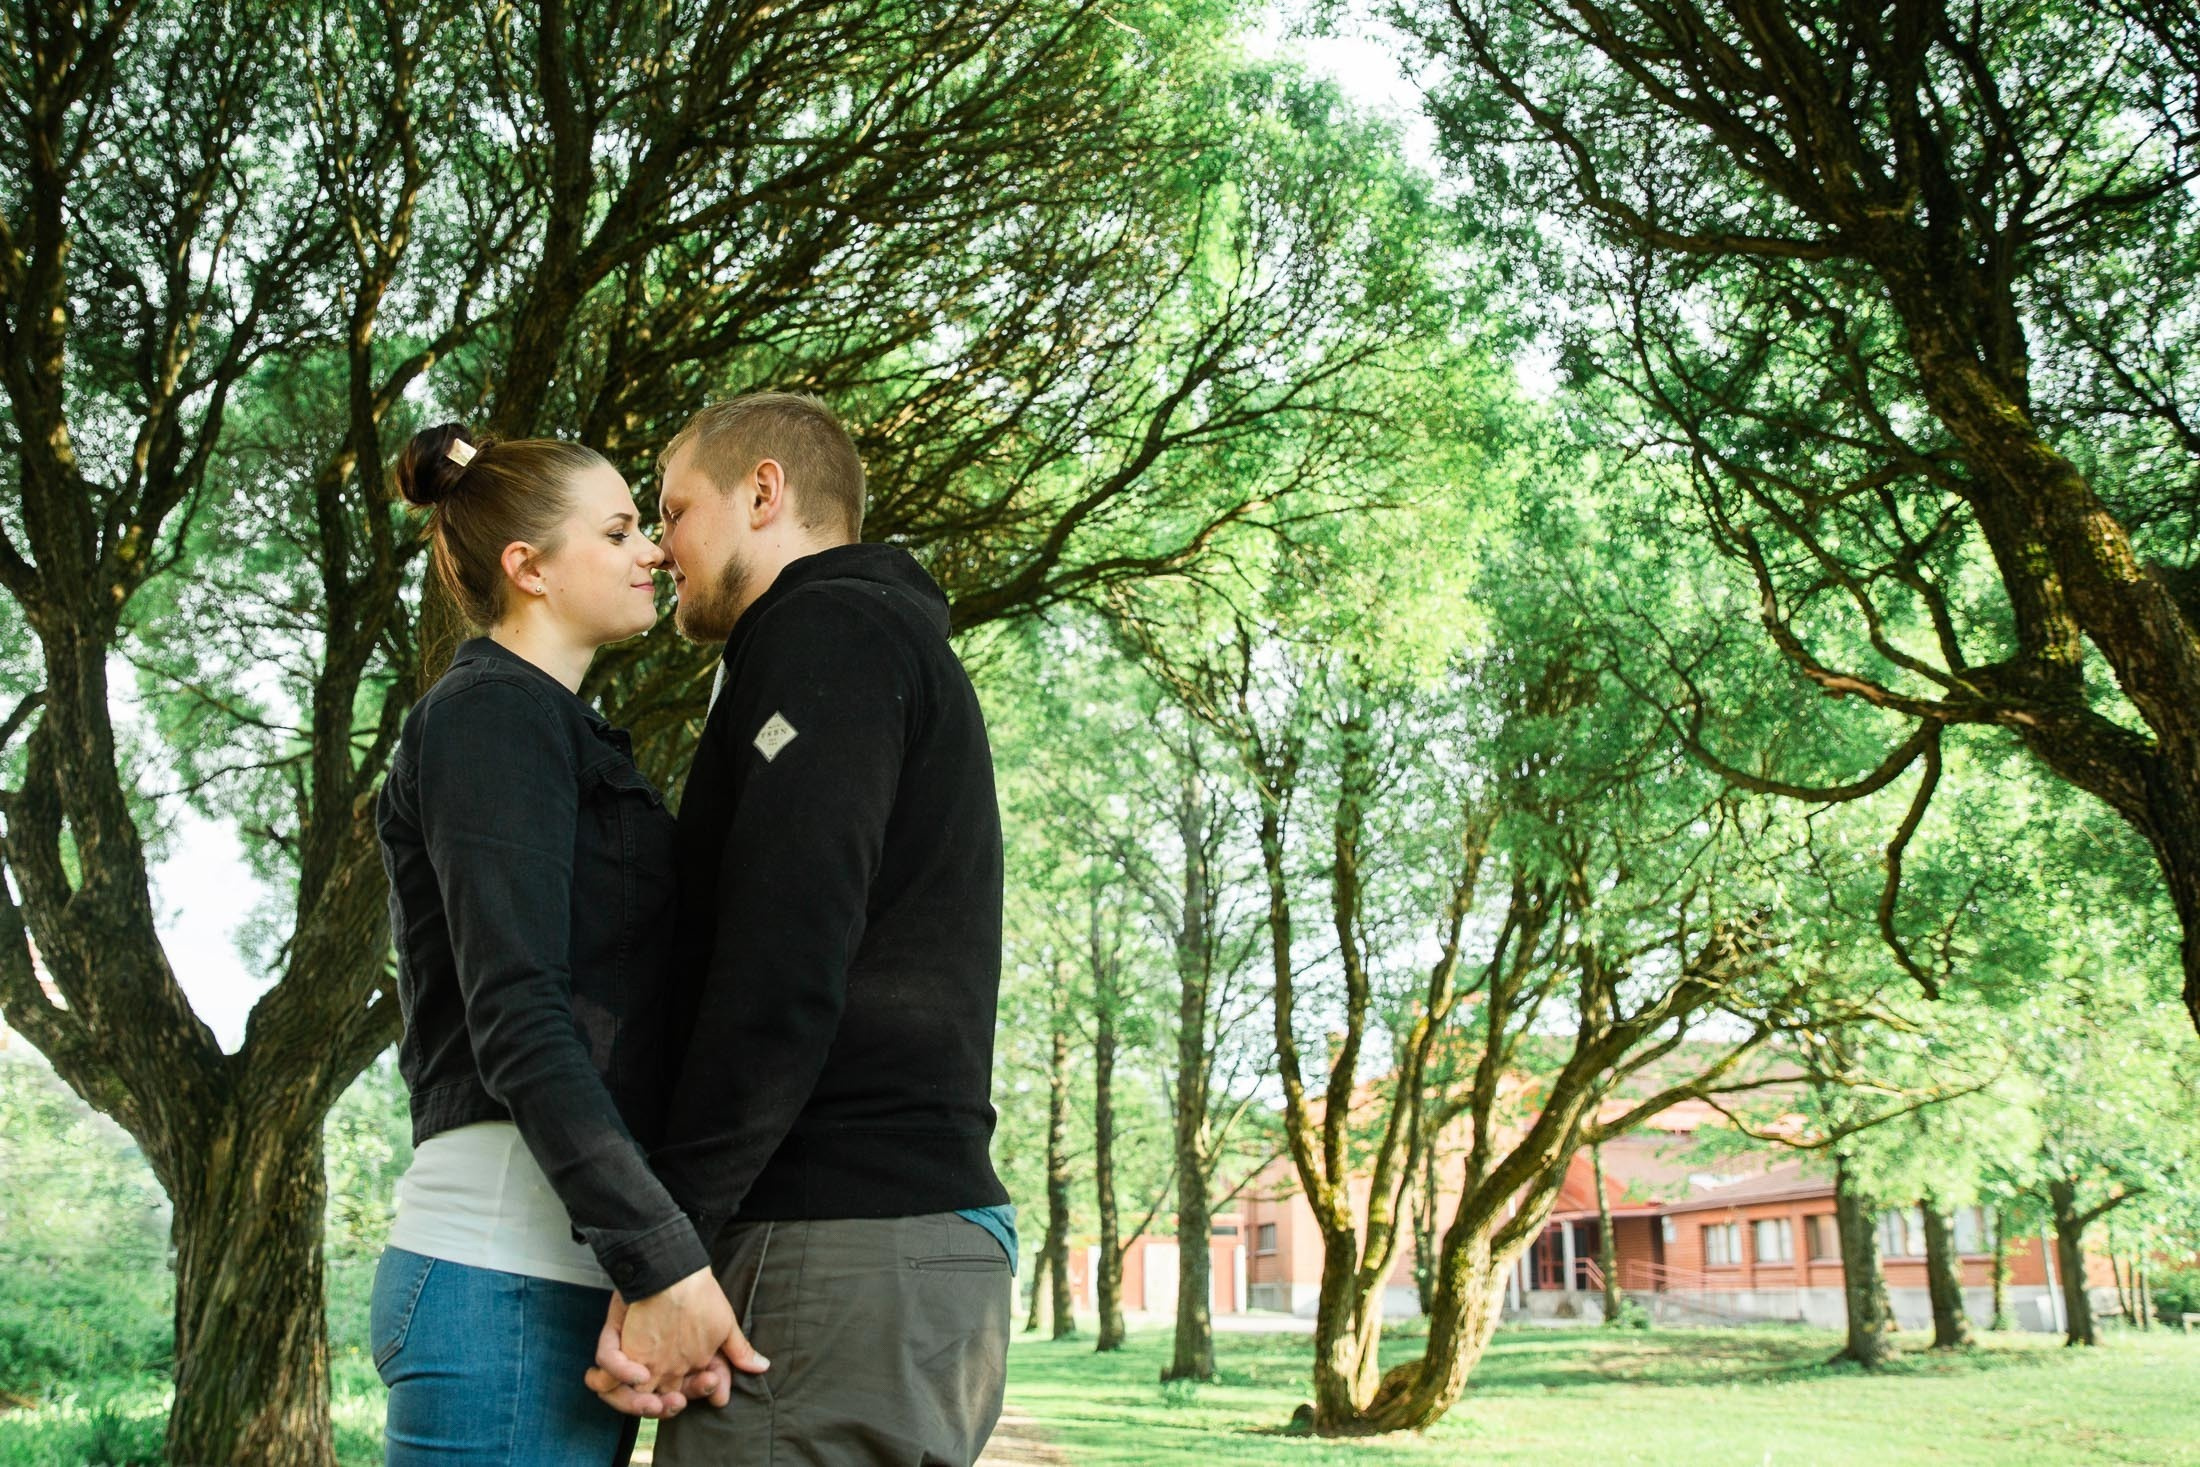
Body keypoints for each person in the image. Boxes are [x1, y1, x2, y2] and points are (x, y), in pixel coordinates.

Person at [588, 393, 1016, 1465]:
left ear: (763, 492)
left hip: (834, 1243)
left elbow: (781, 963)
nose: (659, 548)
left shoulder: (824, 630)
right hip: (914, 1245)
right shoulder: (882, 643)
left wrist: (666, 1247)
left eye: (673, 510)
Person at [371, 424, 764, 1467]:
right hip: (500, 1282)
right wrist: (664, 1260)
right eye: (620, 530)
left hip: (558, 1290)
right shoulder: (488, 719)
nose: (655, 551)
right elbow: (518, 1017)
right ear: (529, 568)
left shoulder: (553, 727)